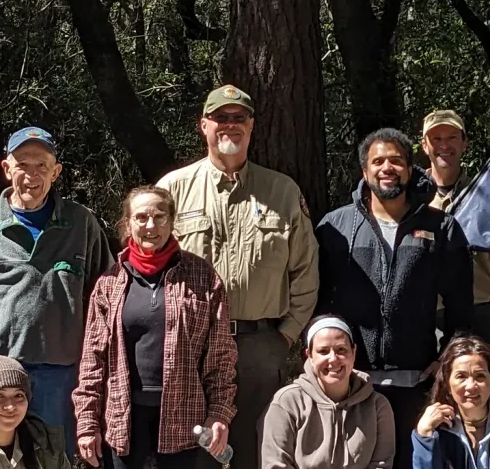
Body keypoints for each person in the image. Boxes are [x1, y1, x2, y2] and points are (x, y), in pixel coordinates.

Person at [157, 84, 319, 469]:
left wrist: (285, 335)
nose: (230, 125)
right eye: (220, 118)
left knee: (259, 451)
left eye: (239, 118)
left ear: (251, 126)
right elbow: (147, 268)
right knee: (191, 455)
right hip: (189, 348)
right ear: (204, 126)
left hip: (259, 346)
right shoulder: (173, 189)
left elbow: (305, 270)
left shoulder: (282, 190)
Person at [317, 127, 475, 469]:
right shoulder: (336, 227)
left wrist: (447, 358)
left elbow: (461, 304)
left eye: (396, 160)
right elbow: (319, 303)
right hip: (351, 384)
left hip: (417, 384)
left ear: (409, 168)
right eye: (378, 161)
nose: (387, 167)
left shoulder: (441, 228)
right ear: (365, 170)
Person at [0, 126, 110, 440]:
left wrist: (100, 376)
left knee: (55, 459)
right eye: (22, 165)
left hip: (60, 378)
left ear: (56, 172)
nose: (32, 175)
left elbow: (106, 302)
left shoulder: (81, 223)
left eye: (41, 166)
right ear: (7, 169)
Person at [73, 186, 238, 469]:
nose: (151, 226)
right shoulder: (109, 283)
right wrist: (88, 422)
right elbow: (93, 360)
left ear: (172, 221)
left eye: (160, 216)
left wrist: (219, 413)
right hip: (122, 418)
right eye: (141, 217)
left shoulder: (202, 276)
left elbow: (221, 355)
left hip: (184, 419)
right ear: (128, 224)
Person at [422, 110, 490, 351]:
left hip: (478, 311)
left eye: (451, 138)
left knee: (483, 386)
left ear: (464, 143)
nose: (444, 146)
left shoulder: (486, 195)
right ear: (424, 146)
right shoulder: (409, 200)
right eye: (436, 139)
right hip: (426, 313)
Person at [260, 314, 395, 469]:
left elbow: (382, 465)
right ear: (309, 356)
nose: (333, 359)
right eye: (323, 351)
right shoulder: (287, 403)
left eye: (341, 349)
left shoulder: (378, 406)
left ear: (354, 352)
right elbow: (275, 464)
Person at [412, 336, 490, 469]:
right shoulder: (437, 430)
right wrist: (424, 435)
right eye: (461, 376)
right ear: (447, 384)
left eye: (480, 376)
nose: (471, 386)